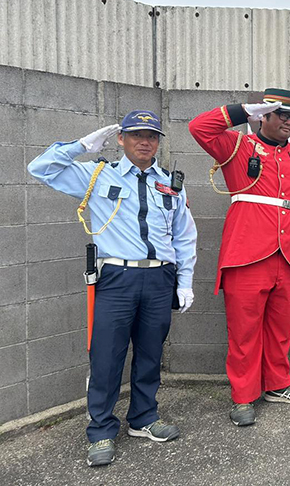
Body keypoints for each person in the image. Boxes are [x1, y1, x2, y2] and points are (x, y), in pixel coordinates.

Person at [27, 111, 197, 466]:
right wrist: (81, 146)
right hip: (117, 278)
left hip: (159, 277)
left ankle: (144, 418)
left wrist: (185, 281)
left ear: (158, 142)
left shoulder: (170, 183)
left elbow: (184, 236)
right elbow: (40, 168)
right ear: (121, 138)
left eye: (151, 136)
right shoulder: (97, 174)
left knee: (150, 355)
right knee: (106, 358)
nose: (145, 141)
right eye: (136, 134)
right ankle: (101, 430)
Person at [189, 88, 290, 427]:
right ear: (265, 116)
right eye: (282, 115)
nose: (289, 122)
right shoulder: (237, 147)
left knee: (280, 329)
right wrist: (242, 111)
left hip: (289, 257)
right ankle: (244, 396)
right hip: (247, 254)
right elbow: (199, 127)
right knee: (244, 331)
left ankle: (278, 385)